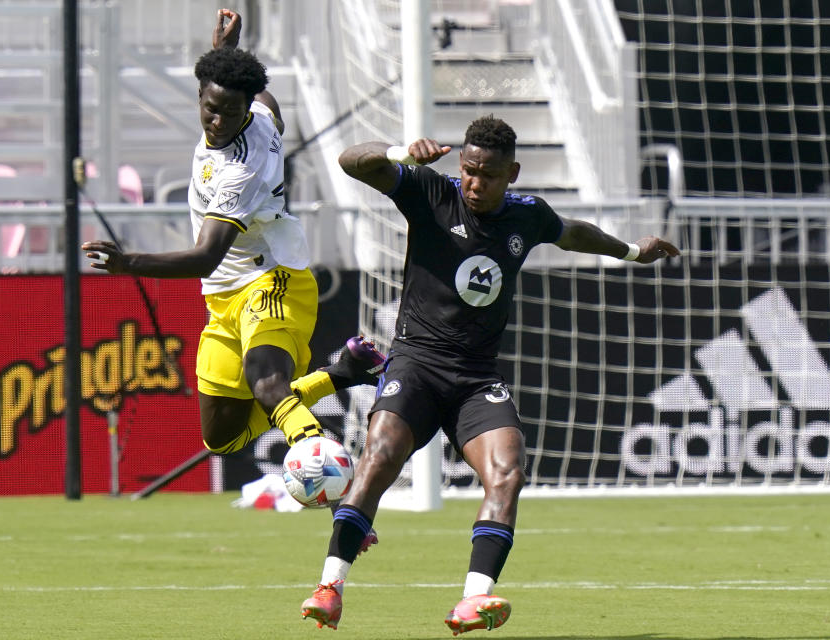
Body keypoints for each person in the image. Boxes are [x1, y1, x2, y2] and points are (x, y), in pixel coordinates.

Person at [300, 116, 680, 634]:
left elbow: (571, 234)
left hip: (476, 378)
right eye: (470, 170)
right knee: (381, 454)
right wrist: (398, 154)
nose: (475, 183)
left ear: (512, 174)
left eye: (488, 174)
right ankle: (330, 586)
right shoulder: (430, 191)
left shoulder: (528, 217)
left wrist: (632, 251)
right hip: (417, 362)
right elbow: (350, 161)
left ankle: (473, 600)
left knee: (508, 472)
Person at [80, 9, 384, 514]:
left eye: (229, 111)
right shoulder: (260, 110)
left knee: (265, 377)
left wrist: (127, 262)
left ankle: (324, 466)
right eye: (210, 108)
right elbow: (262, 92)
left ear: (245, 109)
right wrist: (226, 52)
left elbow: (205, 255)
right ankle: (345, 371)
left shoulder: (241, 172)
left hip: (273, 276)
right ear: (201, 94)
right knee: (221, 437)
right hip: (224, 295)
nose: (217, 122)